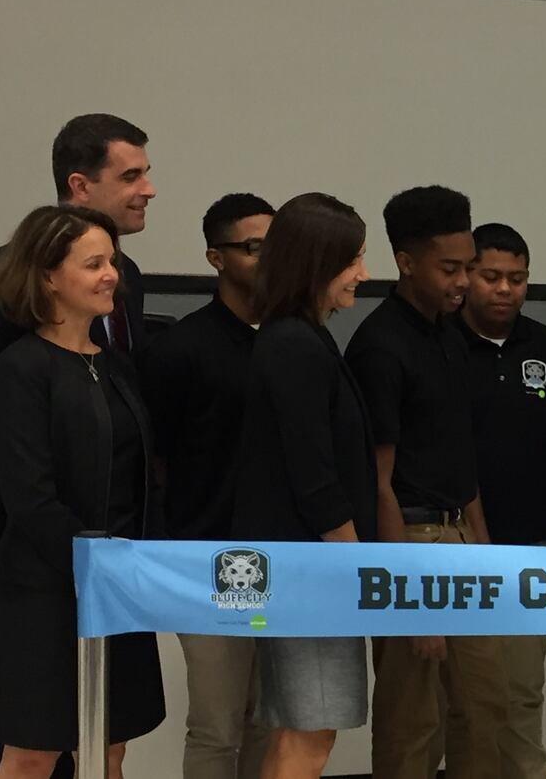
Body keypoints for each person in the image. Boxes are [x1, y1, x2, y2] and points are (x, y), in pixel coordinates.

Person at [0, 113, 154, 779]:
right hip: (24, 554)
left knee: (105, 738)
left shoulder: (129, 288)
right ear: (79, 184)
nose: (148, 188)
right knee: (22, 734)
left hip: (114, 561)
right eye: (132, 175)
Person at [0, 204, 165, 779]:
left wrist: (134, 565)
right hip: (46, 592)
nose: (112, 273)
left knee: (109, 747)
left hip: (118, 584)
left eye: (112, 260)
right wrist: (97, 564)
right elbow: (30, 498)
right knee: (34, 754)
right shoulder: (21, 368)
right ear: (46, 277)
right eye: (94, 263)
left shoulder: (113, 365)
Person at [346, 186, 507, 779]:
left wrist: (485, 552)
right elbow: (377, 480)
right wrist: (406, 601)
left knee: (485, 708)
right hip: (410, 544)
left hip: (462, 537)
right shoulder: (380, 348)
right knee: (411, 723)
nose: (463, 281)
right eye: (449, 269)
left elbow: (459, 458)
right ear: (405, 262)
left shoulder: (450, 336)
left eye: (468, 266)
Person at [231, 192, 376, 779]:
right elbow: (312, 476)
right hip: (309, 572)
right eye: (352, 260)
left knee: (302, 728)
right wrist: (352, 568)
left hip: (301, 569)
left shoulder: (304, 338)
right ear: (316, 262)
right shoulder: (293, 344)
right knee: (309, 732)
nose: (363, 274)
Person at [139, 193, 275, 779]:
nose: (269, 260)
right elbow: (155, 458)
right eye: (253, 248)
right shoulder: (182, 349)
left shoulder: (294, 340)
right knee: (219, 726)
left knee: (270, 720)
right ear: (216, 258)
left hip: (286, 554)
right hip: (214, 555)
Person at [454, 222, 546, 779]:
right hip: (453, 545)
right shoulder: (440, 346)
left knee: (523, 692)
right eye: (491, 277)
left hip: (533, 543)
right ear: (467, 276)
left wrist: (525, 482)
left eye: (517, 278)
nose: (504, 289)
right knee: (461, 699)